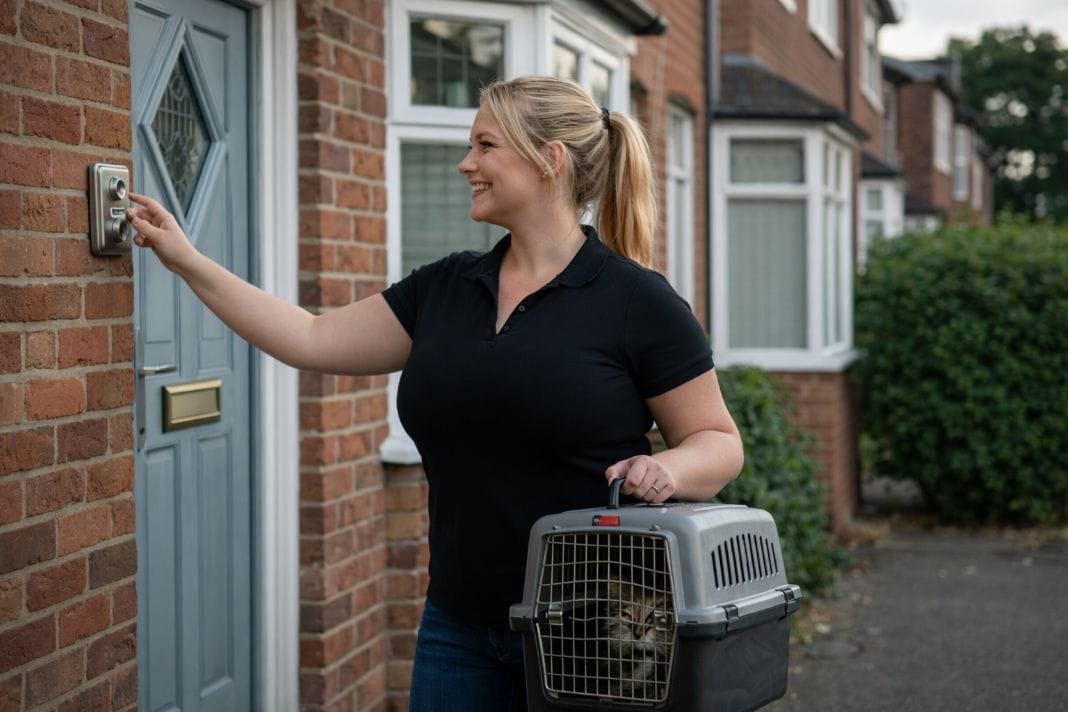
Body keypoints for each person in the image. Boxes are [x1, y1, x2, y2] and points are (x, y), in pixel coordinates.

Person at [126, 75, 744, 712]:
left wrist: (666, 467)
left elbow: (719, 443)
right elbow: (309, 338)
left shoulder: (637, 300)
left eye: (485, 145)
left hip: (595, 634)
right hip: (458, 625)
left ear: (549, 159)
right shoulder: (446, 288)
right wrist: (186, 258)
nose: (466, 162)